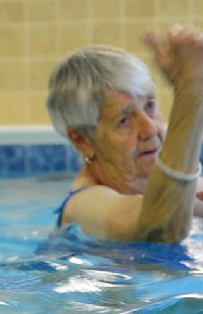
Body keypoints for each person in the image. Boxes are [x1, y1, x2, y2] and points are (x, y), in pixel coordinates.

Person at [48, 25, 203, 243]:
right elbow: (160, 229)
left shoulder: (158, 185)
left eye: (150, 105)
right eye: (124, 120)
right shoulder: (84, 206)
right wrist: (190, 95)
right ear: (82, 140)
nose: (150, 129)